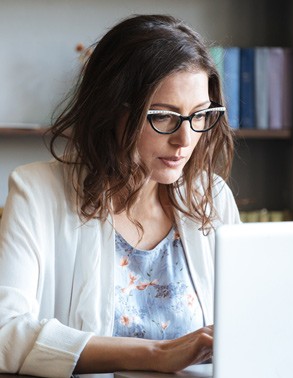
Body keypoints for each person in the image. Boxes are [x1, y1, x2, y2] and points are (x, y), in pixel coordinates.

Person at [0, 14, 240, 377]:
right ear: (113, 110)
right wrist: (157, 353)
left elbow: (251, 323)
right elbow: (5, 334)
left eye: (200, 116)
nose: (185, 140)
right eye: (163, 116)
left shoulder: (212, 197)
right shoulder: (37, 193)